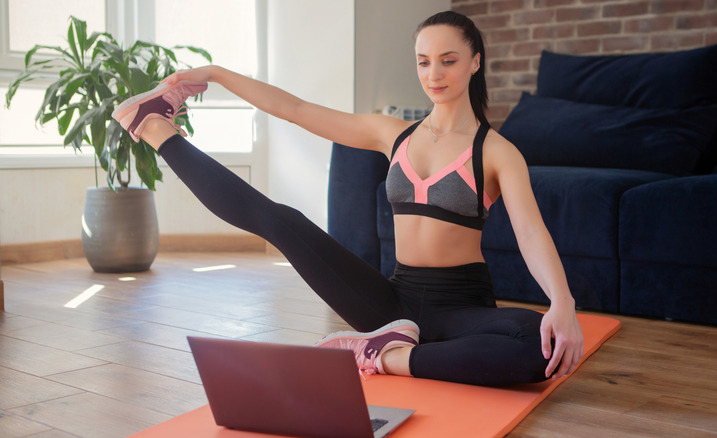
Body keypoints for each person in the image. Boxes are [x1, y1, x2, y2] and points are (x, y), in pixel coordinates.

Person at [112, 11, 584, 387]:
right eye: (423, 61)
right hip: (390, 301)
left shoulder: (498, 152)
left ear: (475, 61)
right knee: (283, 222)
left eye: (448, 59)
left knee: (535, 345)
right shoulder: (390, 133)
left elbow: (530, 232)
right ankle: (158, 131)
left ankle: (389, 356)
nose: (433, 73)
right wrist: (215, 73)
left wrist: (562, 303)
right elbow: (295, 109)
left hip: (462, 308)